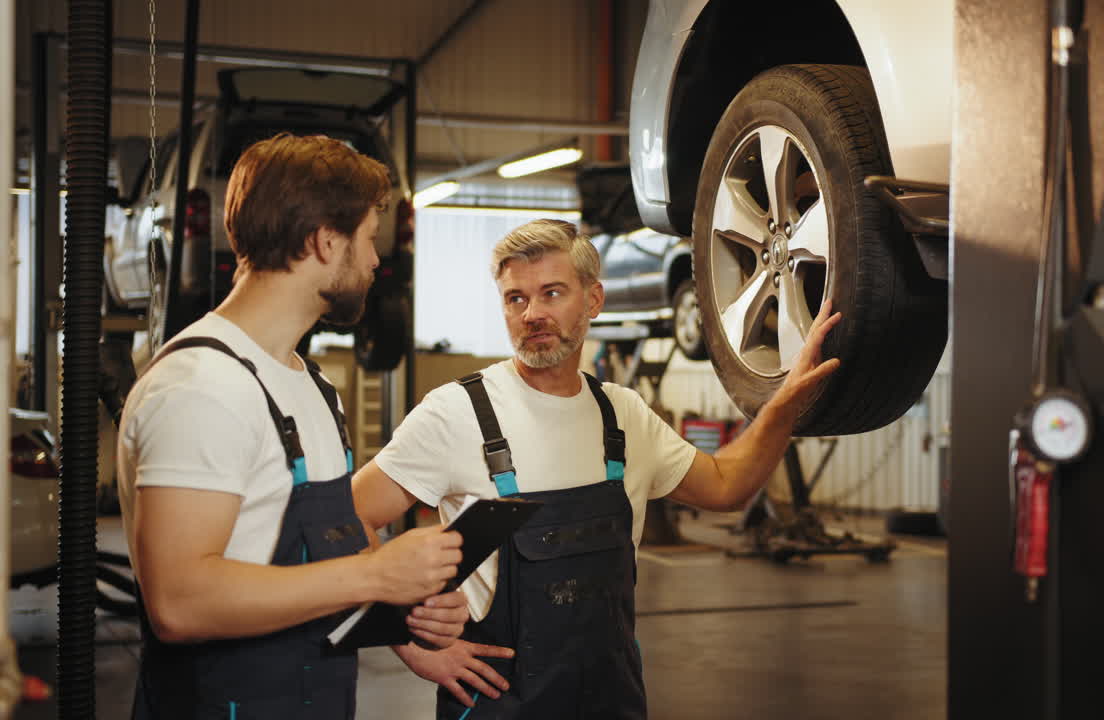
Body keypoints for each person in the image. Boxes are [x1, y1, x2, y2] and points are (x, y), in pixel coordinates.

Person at [352, 218, 841, 719]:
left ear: (593, 300)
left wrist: (784, 407)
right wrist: (414, 646)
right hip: (498, 703)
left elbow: (725, 485)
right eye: (515, 298)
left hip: (612, 698)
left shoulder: (622, 415)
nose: (532, 314)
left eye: (552, 293)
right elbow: (350, 516)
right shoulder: (457, 413)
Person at [117, 133, 469, 720]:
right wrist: (373, 574)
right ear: (325, 241)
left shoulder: (314, 389)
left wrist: (404, 618)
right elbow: (179, 603)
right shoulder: (203, 385)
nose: (376, 261)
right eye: (366, 240)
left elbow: (327, 558)